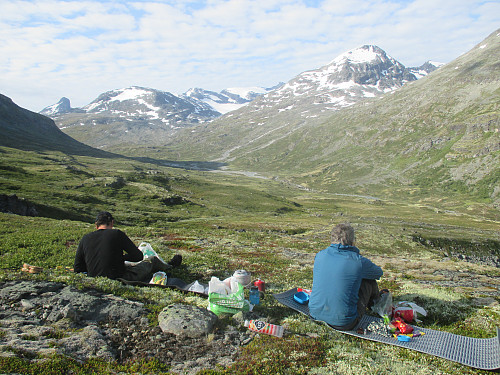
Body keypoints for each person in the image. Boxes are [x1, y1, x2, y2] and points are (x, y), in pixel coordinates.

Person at [309, 223, 383, 330]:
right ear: (353, 241)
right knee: (369, 281)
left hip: (314, 314)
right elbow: (378, 273)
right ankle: (376, 305)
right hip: (344, 322)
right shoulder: (358, 261)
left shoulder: (320, 255)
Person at [74, 211, 182, 281]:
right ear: (112, 222)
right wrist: (121, 258)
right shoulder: (116, 234)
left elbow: (78, 268)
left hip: (94, 279)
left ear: (96, 225)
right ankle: (170, 266)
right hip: (120, 278)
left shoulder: (85, 238)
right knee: (152, 260)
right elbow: (138, 256)